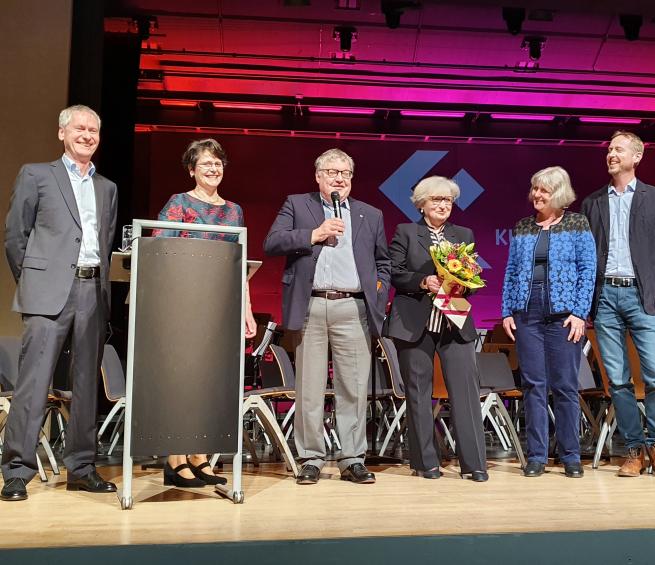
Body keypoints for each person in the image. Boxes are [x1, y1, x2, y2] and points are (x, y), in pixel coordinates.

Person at [1, 105, 118, 501]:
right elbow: (16, 237)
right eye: (79, 128)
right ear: (62, 133)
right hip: (48, 291)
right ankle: (17, 470)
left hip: (92, 290)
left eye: (93, 130)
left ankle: (82, 467)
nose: (86, 135)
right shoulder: (37, 175)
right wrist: (35, 282)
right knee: (33, 383)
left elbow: (104, 243)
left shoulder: (107, 188)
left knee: (87, 384)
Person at [264, 148, 390, 485]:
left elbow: (384, 262)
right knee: (310, 386)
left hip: (353, 307)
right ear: (318, 176)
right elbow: (272, 242)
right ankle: (311, 457)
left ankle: (352, 458)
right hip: (312, 305)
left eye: (345, 173)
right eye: (332, 172)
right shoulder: (297, 204)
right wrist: (313, 234)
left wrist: (376, 293)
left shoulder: (369, 214)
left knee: (354, 386)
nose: (339, 178)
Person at [153, 138, 257, 488]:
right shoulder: (178, 203)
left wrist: (247, 308)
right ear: (192, 170)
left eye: (218, 164)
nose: (213, 169)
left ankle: (198, 454)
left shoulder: (234, 210)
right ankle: (174, 457)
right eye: (206, 164)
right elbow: (160, 250)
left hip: (218, 306)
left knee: (207, 382)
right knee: (181, 380)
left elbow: (239, 263)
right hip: (183, 303)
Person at [580, 131, 655, 479]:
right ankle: (634, 449)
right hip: (606, 296)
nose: (611, 153)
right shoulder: (593, 202)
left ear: (637, 156)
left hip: (643, 297)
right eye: (609, 148)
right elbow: (585, 256)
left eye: (619, 149)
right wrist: (585, 303)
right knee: (618, 380)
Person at [384, 176, 488, 481]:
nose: (443, 205)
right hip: (415, 323)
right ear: (422, 204)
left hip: (454, 322)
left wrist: (463, 283)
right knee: (418, 394)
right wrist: (422, 280)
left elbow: (473, 281)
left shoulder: (463, 234)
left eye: (448, 200)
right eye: (436, 200)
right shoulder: (406, 231)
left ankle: (475, 464)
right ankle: (425, 463)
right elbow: (394, 272)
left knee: (466, 393)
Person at [501, 167, 596, 478]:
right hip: (528, 312)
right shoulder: (523, 227)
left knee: (566, 386)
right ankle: (537, 456)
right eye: (535, 189)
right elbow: (512, 270)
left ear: (559, 194)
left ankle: (570, 455)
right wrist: (506, 310)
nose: (536, 195)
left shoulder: (577, 222)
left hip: (564, 313)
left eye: (543, 190)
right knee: (533, 385)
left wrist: (580, 313)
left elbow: (587, 269)